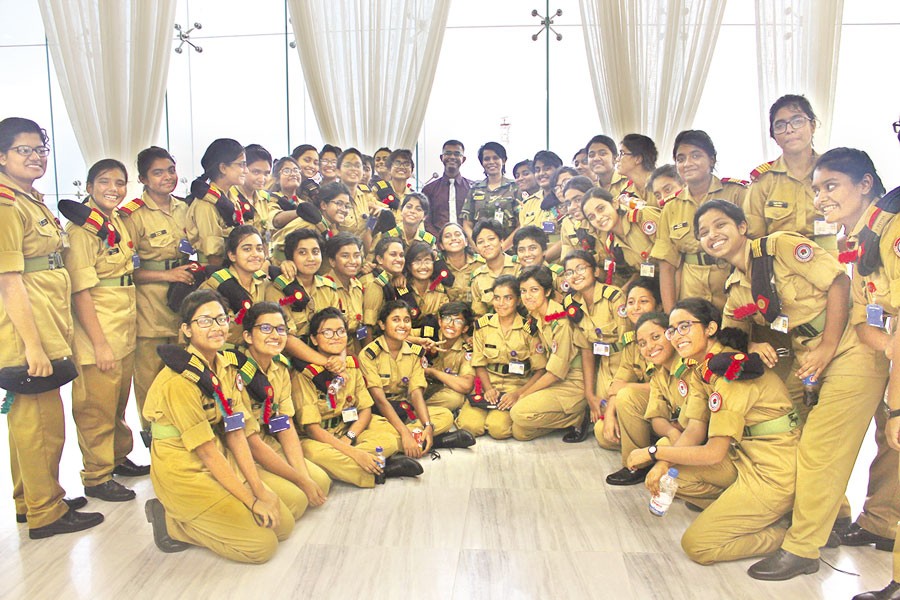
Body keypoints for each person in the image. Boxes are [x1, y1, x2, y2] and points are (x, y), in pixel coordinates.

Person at [694, 200, 889, 580]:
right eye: (703, 233)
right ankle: (834, 515)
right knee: (798, 431)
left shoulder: (780, 246)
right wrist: (749, 346)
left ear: (742, 227)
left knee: (820, 446)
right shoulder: (736, 288)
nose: (712, 236)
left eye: (720, 226)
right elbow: (733, 338)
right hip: (806, 357)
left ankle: (801, 549)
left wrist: (828, 346)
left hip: (850, 348)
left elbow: (839, 283)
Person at [626, 300, 800, 566]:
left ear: (710, 328)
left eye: (685, 326)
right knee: (670, 478)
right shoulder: (701, 368)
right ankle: (740, 513)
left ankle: (786, 534)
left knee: (697, 546)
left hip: (772, 468)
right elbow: (694, 429)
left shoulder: (728, 369)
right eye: (672, 330)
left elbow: (713, 451)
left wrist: (653, 452)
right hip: (742, 456)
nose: (677, 336)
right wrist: (662, 464)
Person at [0, 117, 103, 538]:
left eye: (41, 149)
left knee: (29, 419)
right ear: (2, 157)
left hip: (47, 322)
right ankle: (47, 513)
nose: (36, 157)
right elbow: (8, 281)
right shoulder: (6, 206)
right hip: (30, 331)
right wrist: (34, 348)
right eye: (24, 150)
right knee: (42, 425)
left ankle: (33, 499)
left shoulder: (31, 199)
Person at [142, 289, 297, 563]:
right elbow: (205, 453)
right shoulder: (179, 381)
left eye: (221, 319)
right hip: (185, 471)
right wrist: (251, 500)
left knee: (285, 523)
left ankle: (230, 510)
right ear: (186, 330)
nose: (216, 327)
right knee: (262, 547)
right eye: (204, 321)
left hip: (218, 455)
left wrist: (259, 489)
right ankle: (170, 522)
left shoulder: (225, 367)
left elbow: (236, 431)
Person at [808, 150, 898, 575]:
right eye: (816, 190)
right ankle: (880, 524)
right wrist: (889, 348)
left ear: (864, 185)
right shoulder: (855, 240)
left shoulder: (892, 229)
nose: (820, 198)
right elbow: (864, 318)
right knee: (890, 437)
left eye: (831, 186)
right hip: (888, 346)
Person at [62, 159, 146, 503]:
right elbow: (80, 290)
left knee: (117, 402)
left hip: (122, 325)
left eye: (120, 182)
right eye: (104, 182)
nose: (113, 188)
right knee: (95, 407)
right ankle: (96, 476)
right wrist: (99, 344)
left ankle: (116, 457)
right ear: (89, 186)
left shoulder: (115, 221)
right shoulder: (80, 230)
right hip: (99, 332)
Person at [295, 307, 423, 487]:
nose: (336, 337)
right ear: (315, 339)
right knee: (313, 454)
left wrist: (349, 436)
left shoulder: (351, 366)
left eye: (341, 331)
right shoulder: (305, 374)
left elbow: (365, 410)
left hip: (345, 429)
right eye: (328, 332)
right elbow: (312, 430)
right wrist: (355, 453)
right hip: (318, 439)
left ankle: (353, 464)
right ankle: (380, 470)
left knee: (389, 440)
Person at [120, 147, 193, 440]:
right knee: (150, 378)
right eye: (158, 172)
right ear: (143, 178)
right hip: (149, 306)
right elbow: (125, 269)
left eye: (171, 170)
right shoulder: (132, 215)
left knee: (181, 374)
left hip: (182, 301)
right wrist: (166, 274)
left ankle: (181, 433)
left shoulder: (184, 208)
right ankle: (153, 438)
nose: (167, 177)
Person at [232, 302, 331, 508]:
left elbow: (284, 424)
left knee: (321, 482)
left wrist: (303, 475)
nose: (275, 335)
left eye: (280, 329)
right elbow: (248, 440)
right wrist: (300, 481)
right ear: (248, 336)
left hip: (267, 439)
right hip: (242, 449)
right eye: (266, 329)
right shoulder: (236, 373)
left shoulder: (280, 367)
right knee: (297, 500)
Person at [360, 301, 475, 457]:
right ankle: (435, 441)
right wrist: (405, 433)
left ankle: (414, 439)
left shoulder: (415, 353)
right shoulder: (368, 355)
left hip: (406, 409)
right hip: (380, 414)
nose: (402, 325)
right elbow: (380, 401)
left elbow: (416, 393)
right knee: (376, 429)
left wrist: (427, 425)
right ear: (382, 324)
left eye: (406, 320)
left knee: (445, 416)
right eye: (395, 320)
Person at [650, 130, 744, 312]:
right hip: (691, 293)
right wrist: (671, 316)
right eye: (681, 158)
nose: (688, 163)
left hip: (732, 287)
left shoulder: (736, 194)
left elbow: (752, 249)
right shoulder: (671, 208)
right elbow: (667, 267)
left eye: (696, 155)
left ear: (712, 159)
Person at [456, 276, 546, 439]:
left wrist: (519, 394)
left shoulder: (529, 329)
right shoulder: (483, 325)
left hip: (516, 386)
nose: (501, 303)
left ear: (518, 300)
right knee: (470, 427)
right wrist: (488, 388)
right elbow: (479, 363)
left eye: (508, 298)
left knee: (498, 429)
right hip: (488, 384)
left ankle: (497, 416)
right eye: (497, 298)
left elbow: (540, 370)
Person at [509, 266, 588, 441]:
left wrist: (524, 395)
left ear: (548, 291)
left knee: (518, 412)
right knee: (520, 432)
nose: (527, 296)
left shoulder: (560, 321)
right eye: (523, 291)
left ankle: (579, 416)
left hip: (572, 385)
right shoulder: (537, 316)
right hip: (556, 380)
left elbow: (554, 373)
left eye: (534, 290)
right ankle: (564, 420)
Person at [744, 95, 832, 250]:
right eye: (780, 125)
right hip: (781, 268)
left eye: (797, 121)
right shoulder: (764, 181)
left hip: (828, 266)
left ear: (812, 126)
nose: (789, 130)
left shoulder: (833, 172)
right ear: (773, 136)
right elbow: (753, 240)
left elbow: (854, 223)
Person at [598, 278, 662, 484]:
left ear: (658, 305)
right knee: (602, 433)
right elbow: (620, 380)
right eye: (631, 302)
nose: (636, 307)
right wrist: (609, 416)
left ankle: (636, 466)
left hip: (671, 411)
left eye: (643, 301)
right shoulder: (632, 339)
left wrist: (628, 386)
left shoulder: (665, 335)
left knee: (627, 394)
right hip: (650, 407)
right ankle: (654, 448)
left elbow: (668, 387)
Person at [561, 250, 629, 443]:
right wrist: (589, 394)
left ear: (596, 271)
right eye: (569, 272)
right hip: (603, 367)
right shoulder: (571, 302)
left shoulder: (614, 297)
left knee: (614, 415)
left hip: (624, 364)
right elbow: (586, 349)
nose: (575, 275)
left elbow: (629, 346)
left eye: (581, 268)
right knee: (601, 416)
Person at [199, 225, 270, 346]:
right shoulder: (215, 286)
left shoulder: (265, 282)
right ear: (232, 255)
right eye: (247, 249)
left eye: (259, 249)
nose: (255, 254)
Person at [186, 138, 249, 268]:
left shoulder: (231, 197)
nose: (246, 170)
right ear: (223, 168)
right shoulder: (206, 205)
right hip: (217, 274)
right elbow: (213, 257)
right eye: (241, 164)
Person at [580, 186, 660, 287]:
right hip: (655, 284)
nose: (599, 218)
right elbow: (637, 273)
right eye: (592, 217)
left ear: (615, 204)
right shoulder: (611, 245)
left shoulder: (642, 216)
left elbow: (674, 253)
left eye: (601, 209)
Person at [266, 229, 338, 339]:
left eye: (315, 252)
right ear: (291, 257)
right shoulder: (278, 288)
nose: (311, 258)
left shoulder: (328, 288)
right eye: (302, 253)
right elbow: (286, 337)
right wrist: (319, 357)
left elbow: (337, 329)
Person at [460, 142, 518, 249]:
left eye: (495, 158)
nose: (491, 162)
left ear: (503, 160)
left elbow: (521, 224)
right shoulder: (475, 189)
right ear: (482, 162)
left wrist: (502, 248)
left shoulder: (515, 187)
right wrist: (478, 247)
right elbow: (467, 224)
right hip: (481, 253)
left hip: (509, 252)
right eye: (486, 159)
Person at [422, 302, 475, 411]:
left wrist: (432, 372)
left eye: (458, 321)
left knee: (456, 399)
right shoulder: (429, 335)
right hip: (417, 385)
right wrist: (418, 341)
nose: (451, 325)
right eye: (447, 319)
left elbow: (466, 385)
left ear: (465, 328)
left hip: (440, 391)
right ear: (440, 321)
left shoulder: (466, 350)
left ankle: (412, 413)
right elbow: (398, 337)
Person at [323, 233, 366, 355]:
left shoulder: (357, 287)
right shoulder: (324, 288)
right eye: (345, 256)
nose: (353, 261)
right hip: (331, 354)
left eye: (357, 256)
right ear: (332, 261)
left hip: (352, 351)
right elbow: (326, 338)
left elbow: (357, 331)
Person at [422, 139, 473, 236]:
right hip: (438, 245)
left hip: (467, 244)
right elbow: (426, 221)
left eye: (457, 154)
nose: (452, 157)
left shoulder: (472, 188)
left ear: (463, 159)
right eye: (448, 153)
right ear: (442, 157)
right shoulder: (429, 190)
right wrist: (439, 242)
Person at [361, 237, 406, 342]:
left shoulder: (390, 279)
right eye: (393, 254)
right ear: (380, 259)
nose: (399, 259)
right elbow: (367, 327)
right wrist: (368, 355)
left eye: (402, 255)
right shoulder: (375, 283)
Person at [469, 220, 518, 316]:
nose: (486, 244)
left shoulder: (519, 266)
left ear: (501, 241)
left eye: (491, 239)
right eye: (480, 242)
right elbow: (479, 314)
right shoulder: (477, 278)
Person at [402, 241, 449, 339]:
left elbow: (445, 324)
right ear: (409, 267)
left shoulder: (440, 290)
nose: (423, 266)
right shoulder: (402, 289)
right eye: (417, 261)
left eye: (427, 261)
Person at [519, 151, 564, 252]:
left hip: (559, 264)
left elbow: (568, 239)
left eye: (547, 169)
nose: (541, 174)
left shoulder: (566, 200)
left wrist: (544, 259)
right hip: (532, 262)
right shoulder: (528, 203)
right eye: (537, 170)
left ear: (558, 170)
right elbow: (522, 238)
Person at [230, 144, 275, 241]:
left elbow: (266, 234)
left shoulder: (264, 198)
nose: (262, 178)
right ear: (243, 169)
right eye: (256, 172)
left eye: (266, 173)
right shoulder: (229, 196)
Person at [336, 148, 379, 240]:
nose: (353, 169)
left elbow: (368, 231)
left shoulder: (367, 197)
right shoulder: (332, 198)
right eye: (348, 165)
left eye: (357, 165)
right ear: (338, 171)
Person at [513, 226, 566, 298]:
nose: (527, 254)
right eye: (521, 250)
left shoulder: (558, 277)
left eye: (532, 248)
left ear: (544, 251)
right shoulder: (514, 274)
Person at [436, 222, 483, 304]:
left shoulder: (481, 263)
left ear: (466, 242)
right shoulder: (437, 266)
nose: (453, 238)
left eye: (457, 234)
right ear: (441, 245)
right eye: (447, 236)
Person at [559, 176, 599, 260]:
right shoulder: (572, 225)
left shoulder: (606, 220)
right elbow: (567, 260)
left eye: (578, 200)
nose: (572, 207)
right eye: (569, 203)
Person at [615, 134, 657, 203]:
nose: (617, 159)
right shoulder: (626, 188)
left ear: (638, 158)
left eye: (622, 153)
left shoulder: (661, 184)